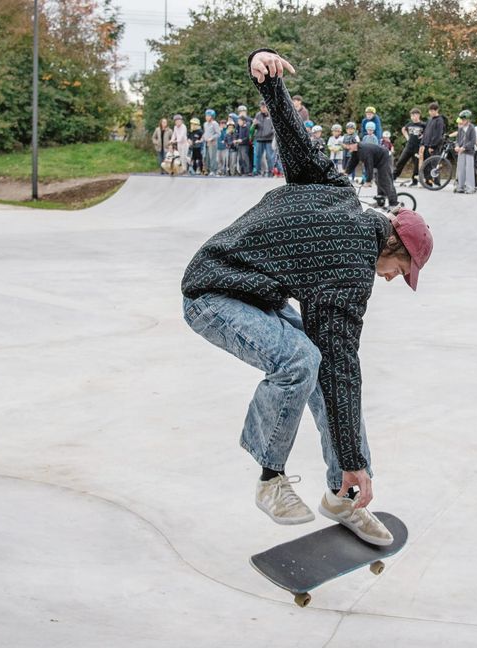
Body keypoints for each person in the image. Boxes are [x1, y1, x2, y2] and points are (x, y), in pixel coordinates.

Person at [181, 48, 433, 544]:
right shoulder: (349, 272)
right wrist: (358, 460)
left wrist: (267, 77)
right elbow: (341, 364)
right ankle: (271, 479)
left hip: (258, 294)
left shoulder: (337, 189)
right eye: (398, 270)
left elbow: (296, 141)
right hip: (211, 292)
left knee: (323, 370)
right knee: (302, 360)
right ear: (395, 246)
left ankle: (342, 494)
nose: (389, 280)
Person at [393, 109, 425, 186]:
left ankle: (414, 181)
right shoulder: (410, 124)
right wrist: (407, 137)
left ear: (418, 115)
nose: (413, 117)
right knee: (401, 161)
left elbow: (428, 131)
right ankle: (393, 177)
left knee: (416, 164)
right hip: (409, 146)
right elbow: (403, 129)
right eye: (411, 116)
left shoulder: (423, 125)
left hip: (417, 147)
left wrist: (423, 136)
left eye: (414, 115)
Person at [419, 102, 447, 182]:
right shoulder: (429, 120)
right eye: (430, 111)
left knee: (434, 164)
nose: (431, 112)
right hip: (426, 144)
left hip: (434, 146)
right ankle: (428, 181)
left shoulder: (439, 120)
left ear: (437, 110)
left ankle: (437, 182)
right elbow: (426, 132)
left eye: (433, 111)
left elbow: (438, 135)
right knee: (426, 164)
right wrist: (422, 143)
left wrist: (432, 146)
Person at [454, 110, 477, 194]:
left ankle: (470, 188)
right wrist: (456, 146)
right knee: (461, 169)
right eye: (462, 119)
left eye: (464, 119)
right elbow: (457, 140)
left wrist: (464, 147)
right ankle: (460, 187)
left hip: (469, 151)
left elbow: (473, 141)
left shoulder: (471, 128)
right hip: (461, 151)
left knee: (469, 170)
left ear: (468, 120)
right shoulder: (460, 129)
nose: (462, 121)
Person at [253, 101, 276, 177]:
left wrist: (269, 132)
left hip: (269, 139)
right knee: (258, 156)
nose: (262, 108)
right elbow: (254, 127)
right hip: (259, 138)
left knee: (270, 156)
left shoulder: (272, 114)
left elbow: (274, 127)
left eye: (264, 107)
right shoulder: (258, 115)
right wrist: (254, 124)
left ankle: (271, 172)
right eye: (261, 107)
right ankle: (258, 172)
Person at [234, 106, 252, 175]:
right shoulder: (238, 121)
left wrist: (242, 140)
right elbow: (236, 131)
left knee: (246, 157)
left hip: (246, 142)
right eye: (240, 112)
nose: (242, 113)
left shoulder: (248, 120)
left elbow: (249, 134)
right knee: (241, 158)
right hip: (240, 142)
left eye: (243, 111)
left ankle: (248, 171)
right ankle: (242, 171)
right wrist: (236, 139)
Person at [202, 109, 221, 175]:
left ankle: (213, 170)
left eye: (208, 116)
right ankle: (207, 169)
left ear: (212, 116)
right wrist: (202, 138)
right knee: (206, 157)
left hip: (213, 143)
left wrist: (211, 138)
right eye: (206, 115)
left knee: (213, 157)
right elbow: (205, 133)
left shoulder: (215, 124)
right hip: (206, 143)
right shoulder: (205, 124)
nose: (206, 117)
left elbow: (218, 134)